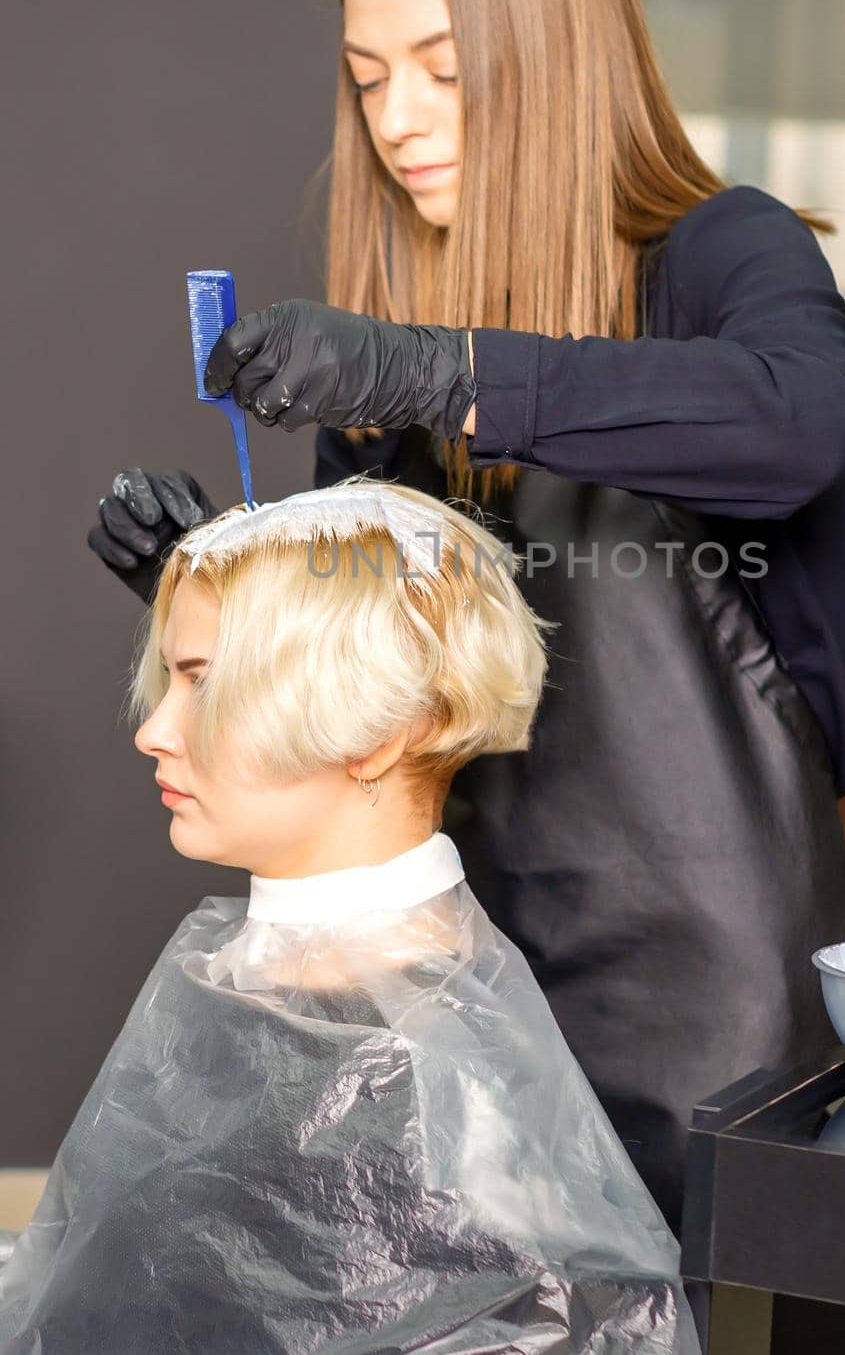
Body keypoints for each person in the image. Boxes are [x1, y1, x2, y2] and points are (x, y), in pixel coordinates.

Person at [88, 0, 845, 1352]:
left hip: (721, 1023)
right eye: (367, 79)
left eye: (443, 68)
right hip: (471, 1003)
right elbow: (373, 683)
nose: (400, 119)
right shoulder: (392, 338)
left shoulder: (719, 261)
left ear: (548, 54)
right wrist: (207, 581)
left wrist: (442, 370)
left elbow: (794, 418)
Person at [3, 480, 703, 1354]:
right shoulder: (228, 970)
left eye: (206, 683)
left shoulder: (437, 1091)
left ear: (378, 734)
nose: (155, 732)